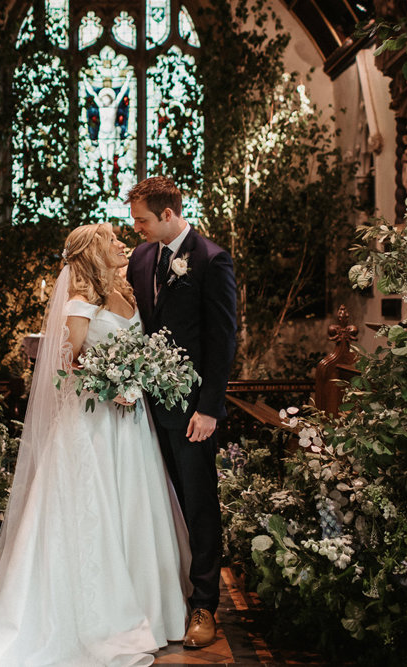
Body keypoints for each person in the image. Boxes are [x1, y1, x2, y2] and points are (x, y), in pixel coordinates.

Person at [0, 223, 190, 667]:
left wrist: (139, 375)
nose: (121, 242)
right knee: (94, 512)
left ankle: (150, 609)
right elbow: (70, 364)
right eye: (110, 239)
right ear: (91, 253)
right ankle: (98, 615)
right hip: (94, 424)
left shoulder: (127, 294)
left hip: (131, 422)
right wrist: (113, 383)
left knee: (135, 506)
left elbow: (135, 347)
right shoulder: (79, 301)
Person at [125, 176, 237, 649]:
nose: (137, 229)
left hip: (192, 411)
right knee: (156, 503)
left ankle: (205, 605)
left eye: (142, 220)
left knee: (197, 503)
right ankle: (163, 598)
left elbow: (224, 339)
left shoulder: (211, 259)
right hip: (140, 409)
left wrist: (209, 407)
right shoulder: (141, 258)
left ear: (168, 214)